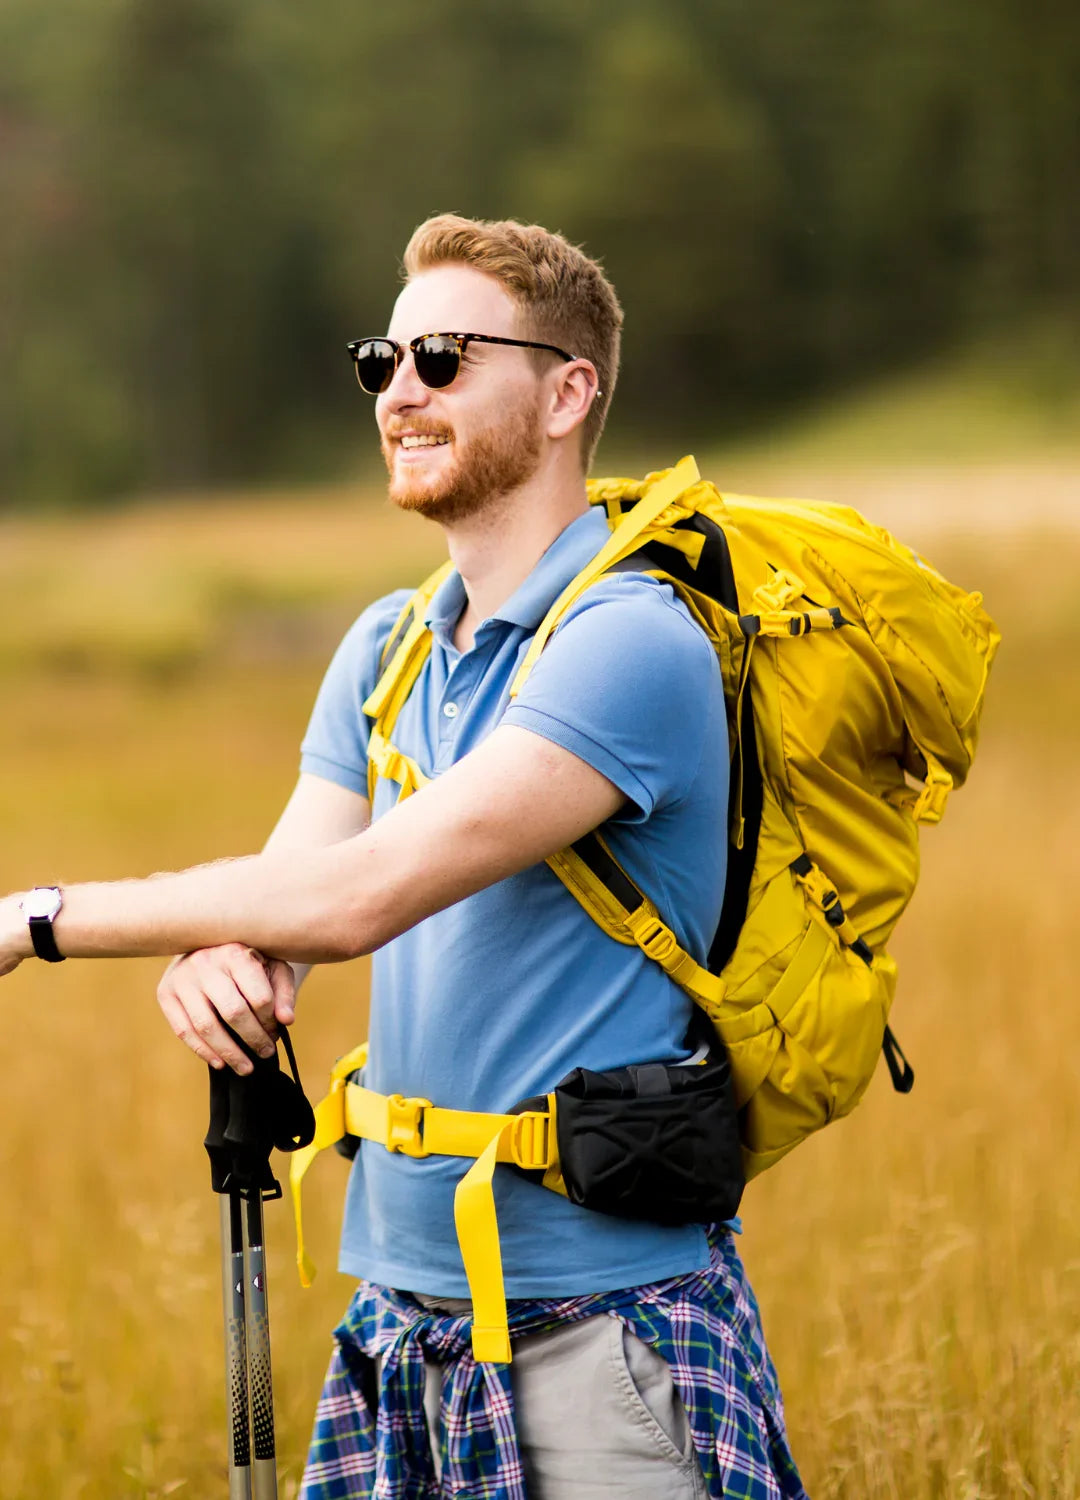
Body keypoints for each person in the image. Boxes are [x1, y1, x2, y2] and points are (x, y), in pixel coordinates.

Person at [0, 215, 807, 1500]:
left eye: (443, 356)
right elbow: (286, 903)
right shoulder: (388, 648)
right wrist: (221, 965)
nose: (403, 392)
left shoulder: (632, 644)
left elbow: (352, 897)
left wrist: (35, 919)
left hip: (600, 1338)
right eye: (385, 360)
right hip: (394, 1328)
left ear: (566, 392)